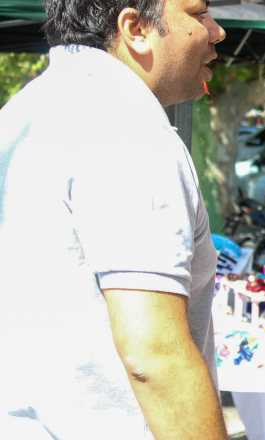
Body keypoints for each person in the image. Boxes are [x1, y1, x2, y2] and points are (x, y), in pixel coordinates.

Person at [0, 0, 227, 438]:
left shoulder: (25, 111)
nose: (216, 31)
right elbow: (154, 357)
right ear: (135, 28)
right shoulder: (127, 128)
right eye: (198, 14)